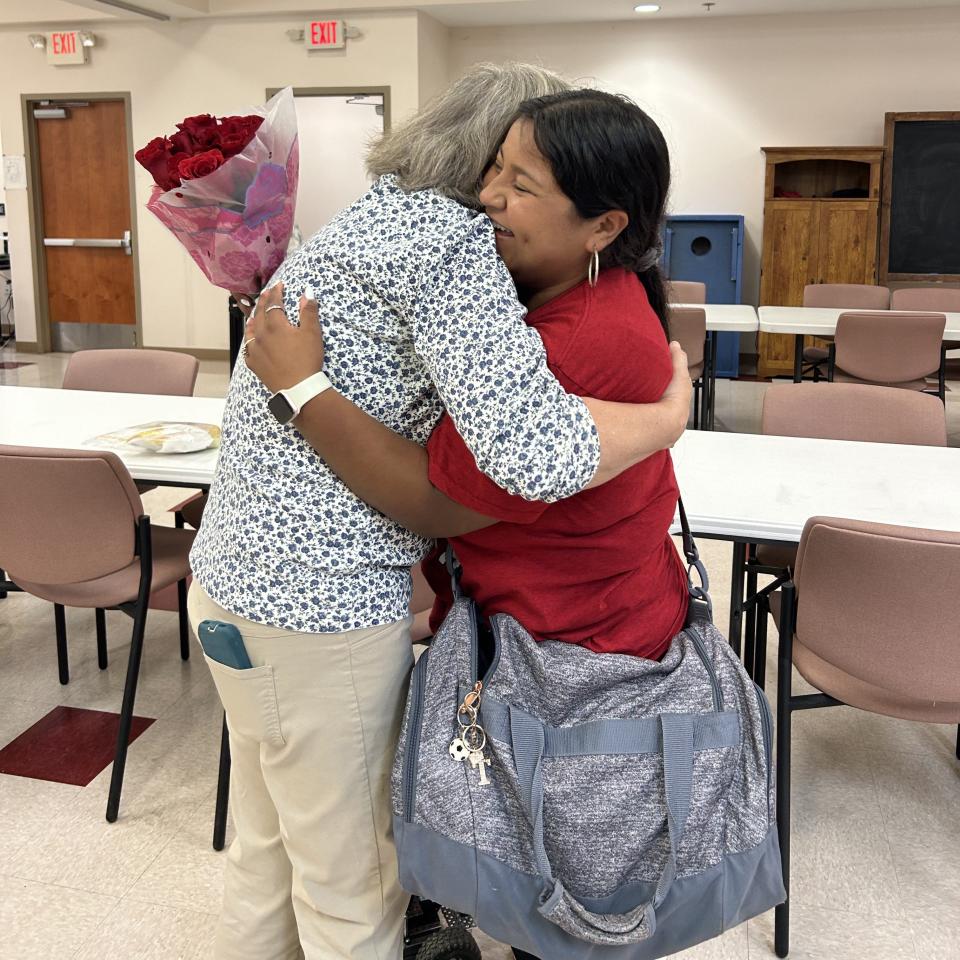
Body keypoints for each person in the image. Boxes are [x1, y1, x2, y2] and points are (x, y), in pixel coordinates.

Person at [189, 64, 692, 960]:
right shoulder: (452, 243)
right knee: (355, 880)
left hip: (233, 581)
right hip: (322, 607)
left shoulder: (372, 217)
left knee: (270, 845)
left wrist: (301, 386)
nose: (497, 196)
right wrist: (664, 420)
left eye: (522, 179)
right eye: (500, 169)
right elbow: (515, 464)